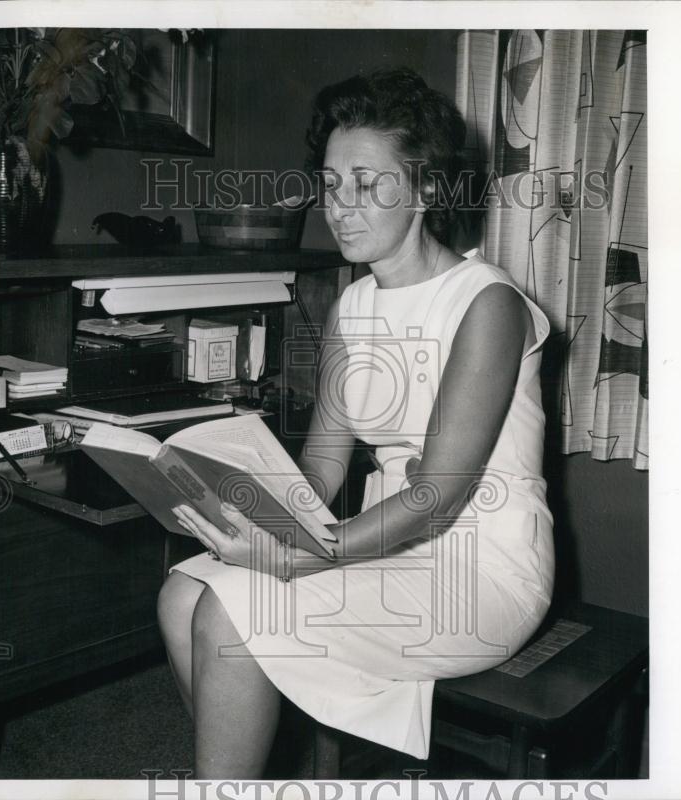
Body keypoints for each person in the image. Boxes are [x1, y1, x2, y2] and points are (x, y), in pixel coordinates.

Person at [156, 67, 554, 778]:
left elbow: (438, 495)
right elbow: (323, 468)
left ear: (428, 189)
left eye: (367, 185)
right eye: (332, 186)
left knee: (230, 617)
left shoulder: (488, 304)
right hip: (378, 544)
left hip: (480, 568)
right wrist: (239, 505)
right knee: (181, 591)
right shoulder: (354, 306)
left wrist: (311, 554)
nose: (340, 208)